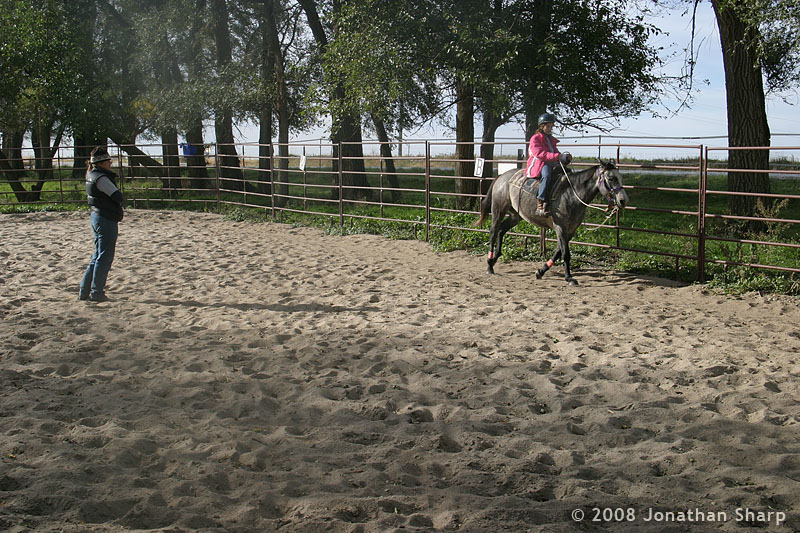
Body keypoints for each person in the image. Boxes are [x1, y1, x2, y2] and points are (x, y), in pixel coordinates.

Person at [79, 146, 124, 302]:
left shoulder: (91, 174)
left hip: (97, 216)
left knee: (97, 255)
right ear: (102, 162)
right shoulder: (102, 178)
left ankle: (85, 290)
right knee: (104, 257)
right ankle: (96, 291)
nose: (110, 163)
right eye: (108, 161)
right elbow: (117, 196)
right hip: (106, 218)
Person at [525, 113, 572, 216]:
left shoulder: (550, 139)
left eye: (551, 126)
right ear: (542, 126)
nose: (550, 128)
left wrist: (564, 157)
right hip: (540, 163)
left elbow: (555, 152)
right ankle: (540, 200)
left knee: (568, 172)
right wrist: (556, 156)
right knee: (546, 176)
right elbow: (539, 154)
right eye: (548, 126)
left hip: (552, 162)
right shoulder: (535, 138)